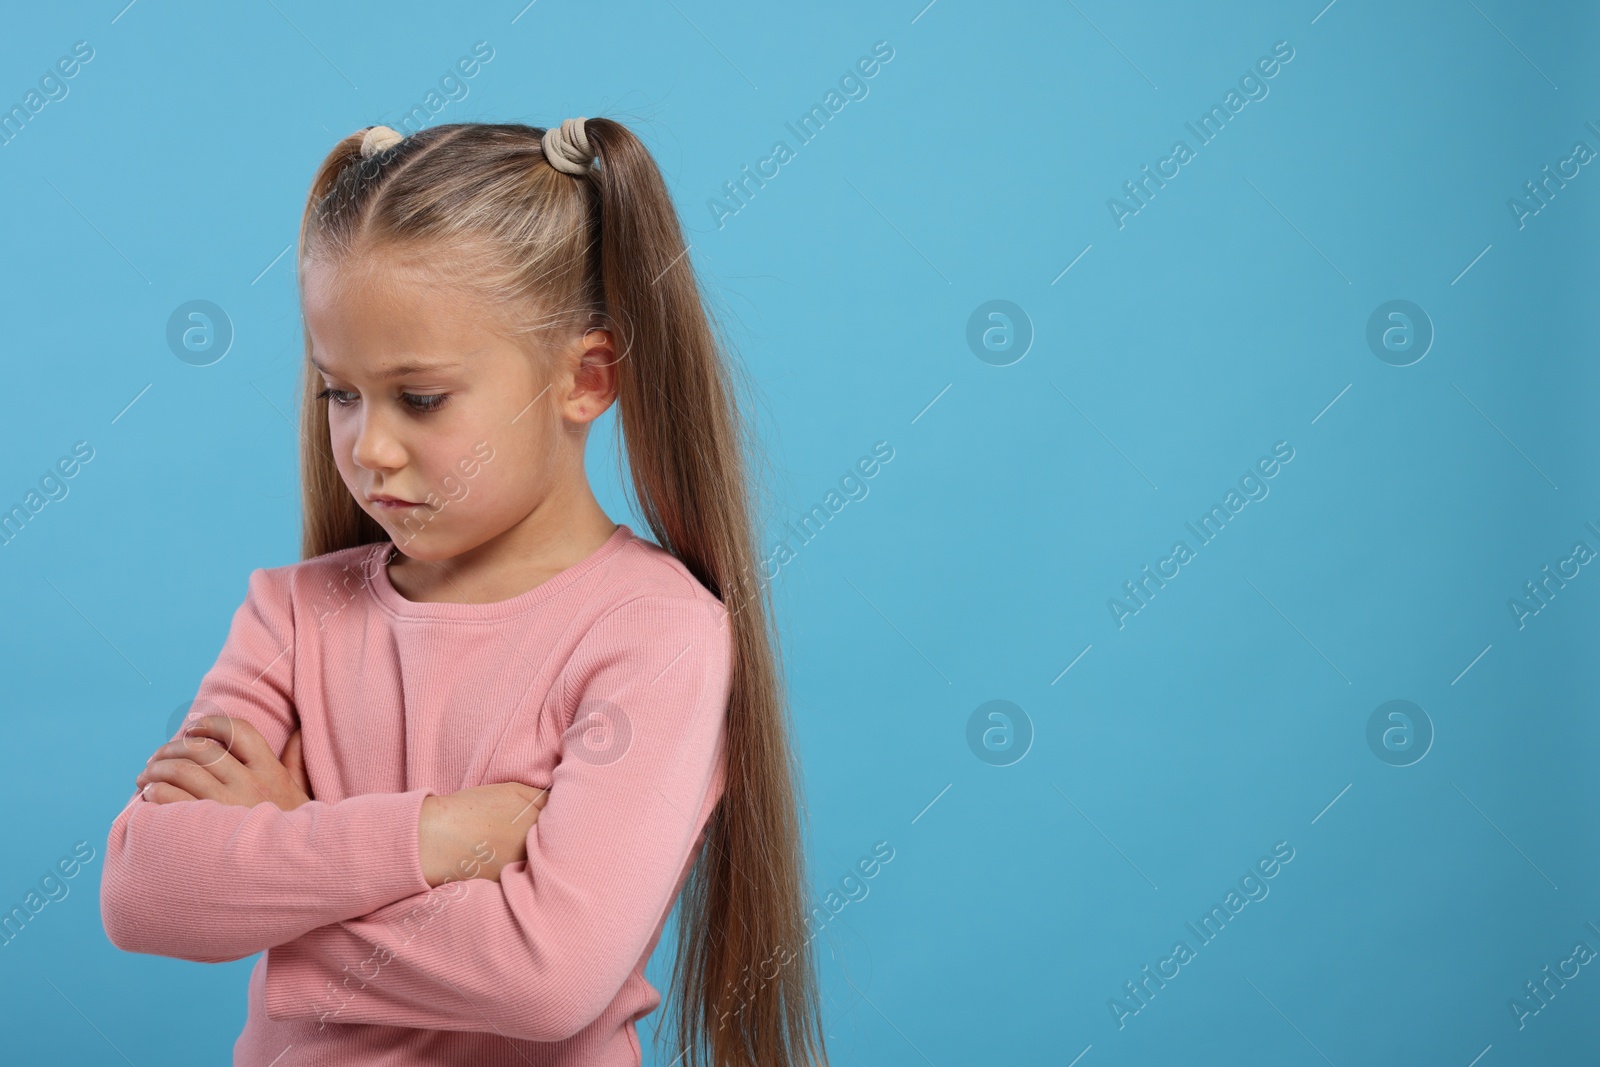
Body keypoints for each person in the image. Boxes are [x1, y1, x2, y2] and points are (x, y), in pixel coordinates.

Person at [99, 117, 827, 1067]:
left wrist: (284, 853)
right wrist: (438, 834)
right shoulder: (291, 613)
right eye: (339, 394)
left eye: (422, 398)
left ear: (586, 378)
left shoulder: (655, 633)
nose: (370, 448)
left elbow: (547, 974)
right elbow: (145, 889)